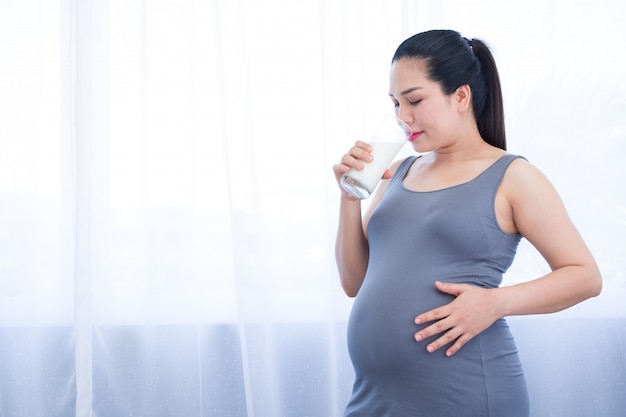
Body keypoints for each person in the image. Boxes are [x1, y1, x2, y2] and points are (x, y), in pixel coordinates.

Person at [332, 29, 602, 417]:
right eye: (395, 104)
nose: (401, 118)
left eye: (414, 100)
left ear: (461, 96)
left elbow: (585, 276)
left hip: (466, 393)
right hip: (376, 398)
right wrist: (348, 196)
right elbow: (353, 282)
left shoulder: (514, 176)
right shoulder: (396, 172)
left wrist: (496, 302)